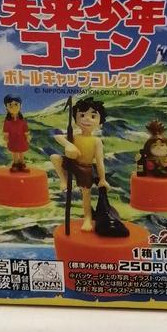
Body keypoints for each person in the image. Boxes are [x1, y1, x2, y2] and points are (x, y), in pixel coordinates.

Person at [51, 97, 108, 232]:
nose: (87, 119)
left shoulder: (96, 141)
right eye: (82, 115)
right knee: (55, 157)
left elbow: (99, 161)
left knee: (86, 193)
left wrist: (102, 179)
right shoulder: (75, 136)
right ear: (76, 120)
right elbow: (57, 136)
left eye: (93, 116)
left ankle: (87, 218)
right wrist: (69, 144)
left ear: (100, 122)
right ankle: (64, 180)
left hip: (85, 168)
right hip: (72, 163)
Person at [3, 95, 29, 171]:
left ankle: (22, 163)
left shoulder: (22, 120)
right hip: (12, 139)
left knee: (21, 151)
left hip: (21, 139)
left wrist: (27, 136)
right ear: (6, 107)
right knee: (14, 152)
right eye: (10, 105)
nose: (13, 107)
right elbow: (6, 130)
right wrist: (6, 137)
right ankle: (15, 163)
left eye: (16, 104)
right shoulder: (7, 121)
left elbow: (25, 128)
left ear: (20, 106)